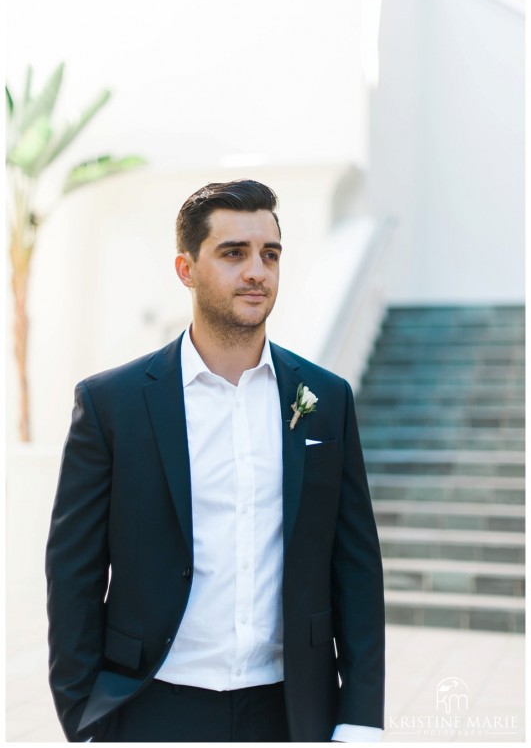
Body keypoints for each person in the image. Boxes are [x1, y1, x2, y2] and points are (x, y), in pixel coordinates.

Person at [46, 179, 385, 742]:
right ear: (186, 269)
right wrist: (84, 717)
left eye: (269, 254)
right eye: (234, 253)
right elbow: (73, 570)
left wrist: (359, 721)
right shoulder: (113, 404)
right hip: (150, 704)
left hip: (291, 709)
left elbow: (357, 567)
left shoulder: (326, 400)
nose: (257, 271)